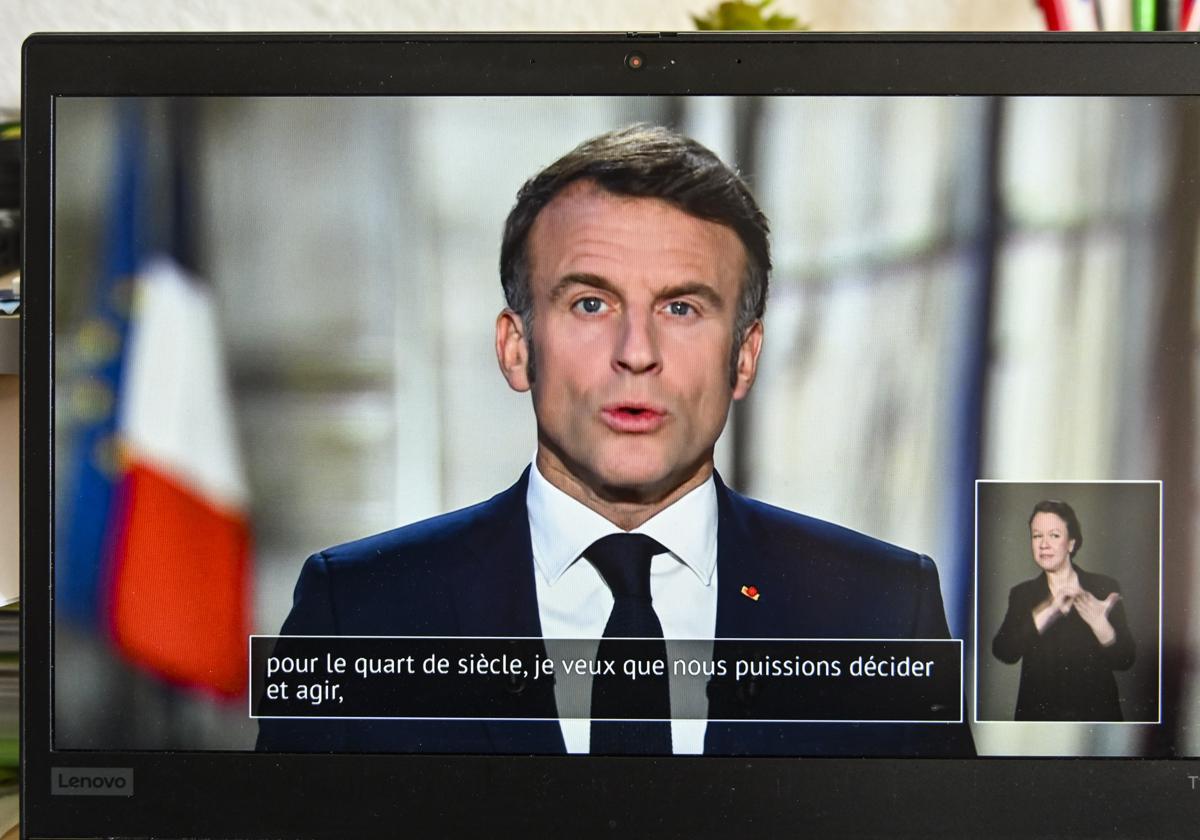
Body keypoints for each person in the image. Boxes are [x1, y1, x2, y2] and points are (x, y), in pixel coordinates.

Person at [257, 124, 974, 756]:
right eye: (591, 303)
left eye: (682, 307)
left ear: (745, 356)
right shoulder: (357, 612)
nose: (637, 351)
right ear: (516, 348)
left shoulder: (882, 614)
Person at [992, 499, 1135, 721]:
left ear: (1071, 543)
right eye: (1037, 536)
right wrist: (1048, 611)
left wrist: (1101, 625)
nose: (1043, 544)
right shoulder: (1022, 594)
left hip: (1096, 720)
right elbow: (1004, 651)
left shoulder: (1103, 587)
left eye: (1054, 535)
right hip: (1039, 722)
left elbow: (1125, 659)